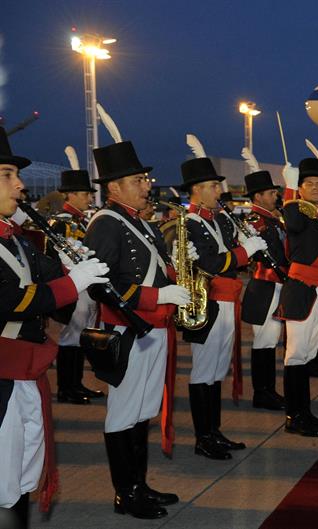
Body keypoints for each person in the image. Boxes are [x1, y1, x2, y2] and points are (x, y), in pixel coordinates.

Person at [0, 127, 109, 527]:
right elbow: (11, 301)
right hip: (4, 375)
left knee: (21, 475)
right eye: (7, 175)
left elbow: (50, 288)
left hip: (24, 373)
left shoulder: (17, 239)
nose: (20, 185)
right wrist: (72, 283)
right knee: (3, 480)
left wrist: (74, 269)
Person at [84, 135, 192, 518]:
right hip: (128, 332)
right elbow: (100, 284)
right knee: (123, 413)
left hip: (154, 329)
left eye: (145, 179)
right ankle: (125, 494)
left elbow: (154, 270)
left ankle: (140, 485)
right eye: (138, 180)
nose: (147, 186)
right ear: (114, 187)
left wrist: (177, 271)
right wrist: (157, 296)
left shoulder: (139, 222)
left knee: (142, 411)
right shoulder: (106, 223)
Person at [181, 148, 267, 460]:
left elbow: (227, 256)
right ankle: (203, 437)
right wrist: (245, 251)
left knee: (217, 370)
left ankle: (214, 431)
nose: (219, 191)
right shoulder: (190, 223)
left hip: (227, 299)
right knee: (203, 370)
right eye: (213, 186)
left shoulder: (217, 220)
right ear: (196, 189)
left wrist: (244, 243)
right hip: (208, 303)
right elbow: (210, 263)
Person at [278, 157, 318, 437]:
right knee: (296, 355)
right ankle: (294, 416)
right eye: (309, 183)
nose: (315, 187)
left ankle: (305, 412)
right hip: (302, 289)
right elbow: (291, 224)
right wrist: (289, 188)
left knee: (308, 355)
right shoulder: (298, 210)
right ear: (300, 188)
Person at [48, 166, 104, 404]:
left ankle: (77, 384)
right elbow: (52, 257)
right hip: (74, 287)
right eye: (84, 193)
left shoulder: (81, 222)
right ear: (70, 195)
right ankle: (66, 388)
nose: (89, 198)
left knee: (81, 336)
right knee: (70, 337)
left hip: (86, 288)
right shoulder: (60, 223)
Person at [241, 168, 288, 411]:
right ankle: (262, 392)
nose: (275, 196)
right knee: (264, 341)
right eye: (271, 193)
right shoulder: (254, 221)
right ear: (258, 197)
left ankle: (268, 390)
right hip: (265, 286)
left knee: (270, 341)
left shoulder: (272, 219)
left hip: (275, 284)